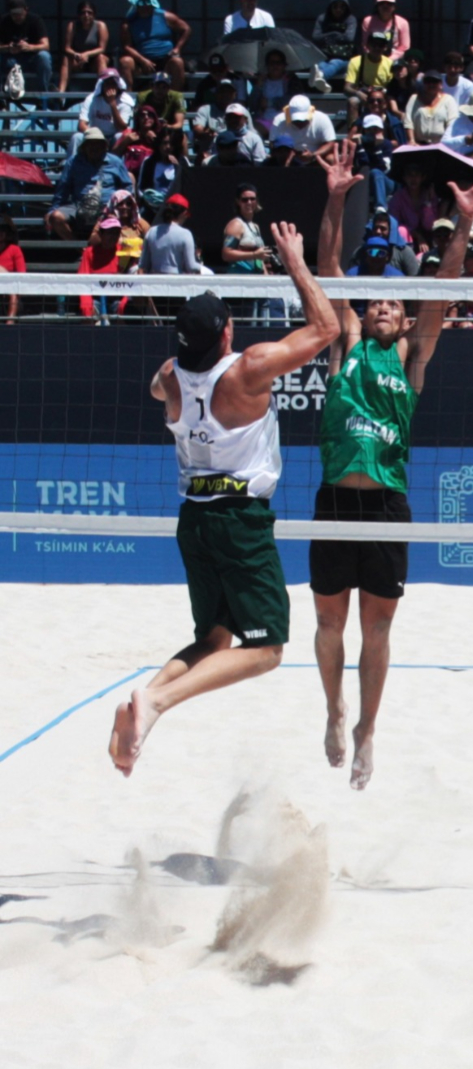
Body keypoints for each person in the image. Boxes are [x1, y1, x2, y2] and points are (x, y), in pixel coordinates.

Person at [108, 224, 341, 776]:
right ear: (227, 333)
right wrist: (293, 259)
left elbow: (159, 386)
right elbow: (327, 327)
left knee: (213, 638)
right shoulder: (246, 370)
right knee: (266, 649)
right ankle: (157, 702)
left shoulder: (169, 376)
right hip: (239, 520)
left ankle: (146, 704)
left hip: (194, 519)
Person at [310, 142, 473, 788]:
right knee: (330, 621)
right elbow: (328, 269)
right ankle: (334, 709)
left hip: (386, 503)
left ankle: (367, 727)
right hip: (336, 499)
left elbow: (442, 292)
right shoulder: (347, 347)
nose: (384, 308)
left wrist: (466, 220)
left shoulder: (412, 359)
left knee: (378, 624)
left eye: (394, 304)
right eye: (378, 304)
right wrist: (336, 196)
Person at [45, 128, 133, 241]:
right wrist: (53, 209)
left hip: (109, 207)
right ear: (84, 147)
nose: (94, 147)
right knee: (56, 217)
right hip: (80, 206)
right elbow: (63, 188)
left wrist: (122, 206)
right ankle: (78, 248)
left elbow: (127, 186)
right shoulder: (73, 162)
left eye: (98, 144)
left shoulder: (115, 162)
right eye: (90, 144)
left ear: (104, 146)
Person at [118, 0, 189, 90]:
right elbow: (126, 46)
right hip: (142, 63)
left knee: (178, 62)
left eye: (148, 3)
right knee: (125, 61)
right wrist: (142, 60)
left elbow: (186, 29)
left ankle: (173, 99)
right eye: (141, 3)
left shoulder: (165, 16)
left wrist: (177, 48)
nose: (145, 7)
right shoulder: (128, 23)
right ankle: (129, 98)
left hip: (166, 61)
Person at [0, 0, 53, 92]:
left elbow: (46, 45)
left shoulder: (35, 20)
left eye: (19, 13)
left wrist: (29, 47)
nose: (17, 17)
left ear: (26, 10)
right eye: (14, 14)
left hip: (32, 59)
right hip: (12, 60)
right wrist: (8, 48)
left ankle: (44, 92)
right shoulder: (4, 21)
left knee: (44, 56)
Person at [139, 194, 200, 274]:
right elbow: (191, 266)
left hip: (154, 282)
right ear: (183, 213)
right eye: (187, 214)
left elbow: (143, 265)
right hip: (176, 282)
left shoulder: (151, 231)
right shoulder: (186, 234)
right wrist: (201, 266)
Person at [58, 0, 109, 92]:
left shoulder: (100, 26)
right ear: (79, 15)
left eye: (89, 13)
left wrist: (87, 54)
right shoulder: (72, 26)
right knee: (66, 58)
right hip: (78, 60)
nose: (86, 15)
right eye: (83, 13)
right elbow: (67, 48)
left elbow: (102, 48)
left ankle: (103, 90)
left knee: (101, 58)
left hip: (95, 61)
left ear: (94, 15)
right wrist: (77, 55)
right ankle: (60, 93)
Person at [271, 94, 338, 162]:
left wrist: (313, 155)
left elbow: (330, 143)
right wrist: (290, 154)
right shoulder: (279, 120)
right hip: (289, 159)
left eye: (303, 120)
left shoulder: (322, 118)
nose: (299, 123)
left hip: (316, 158)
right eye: (296, 120)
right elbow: (273, 144)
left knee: (330, 158)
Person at [313, 0, 357, 82]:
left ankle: (321, 76)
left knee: (335, 63)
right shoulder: (323, 18)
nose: (338, 10)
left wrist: (328, 37)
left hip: (343, 59)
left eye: (342, 7)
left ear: (346, 8)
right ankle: (322, 83)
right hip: (324, 56)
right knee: (320, 65)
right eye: (335, 6)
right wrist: (336, 35)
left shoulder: (351, 19)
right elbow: (316, 36)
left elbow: (349, 38)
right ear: (330, 7)